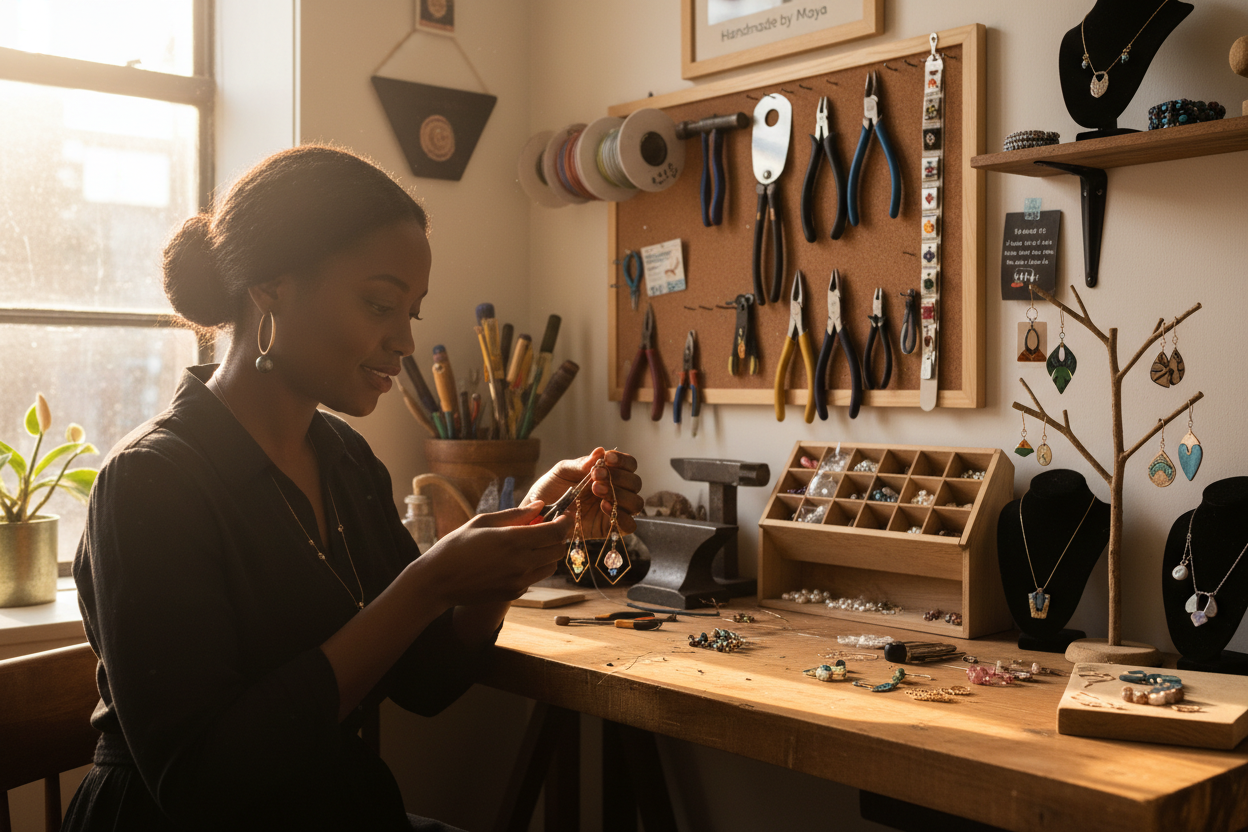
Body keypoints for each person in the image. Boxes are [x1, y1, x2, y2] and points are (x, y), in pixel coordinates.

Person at [64, 145, 642, 831]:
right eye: (379, 304)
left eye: (411, 313)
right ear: (270, 287)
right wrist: (427, 584)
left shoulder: (343, 461)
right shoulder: (151, 482)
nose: (404, 341)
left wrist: (518, 546)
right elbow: (204, 784)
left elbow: (425, 681)